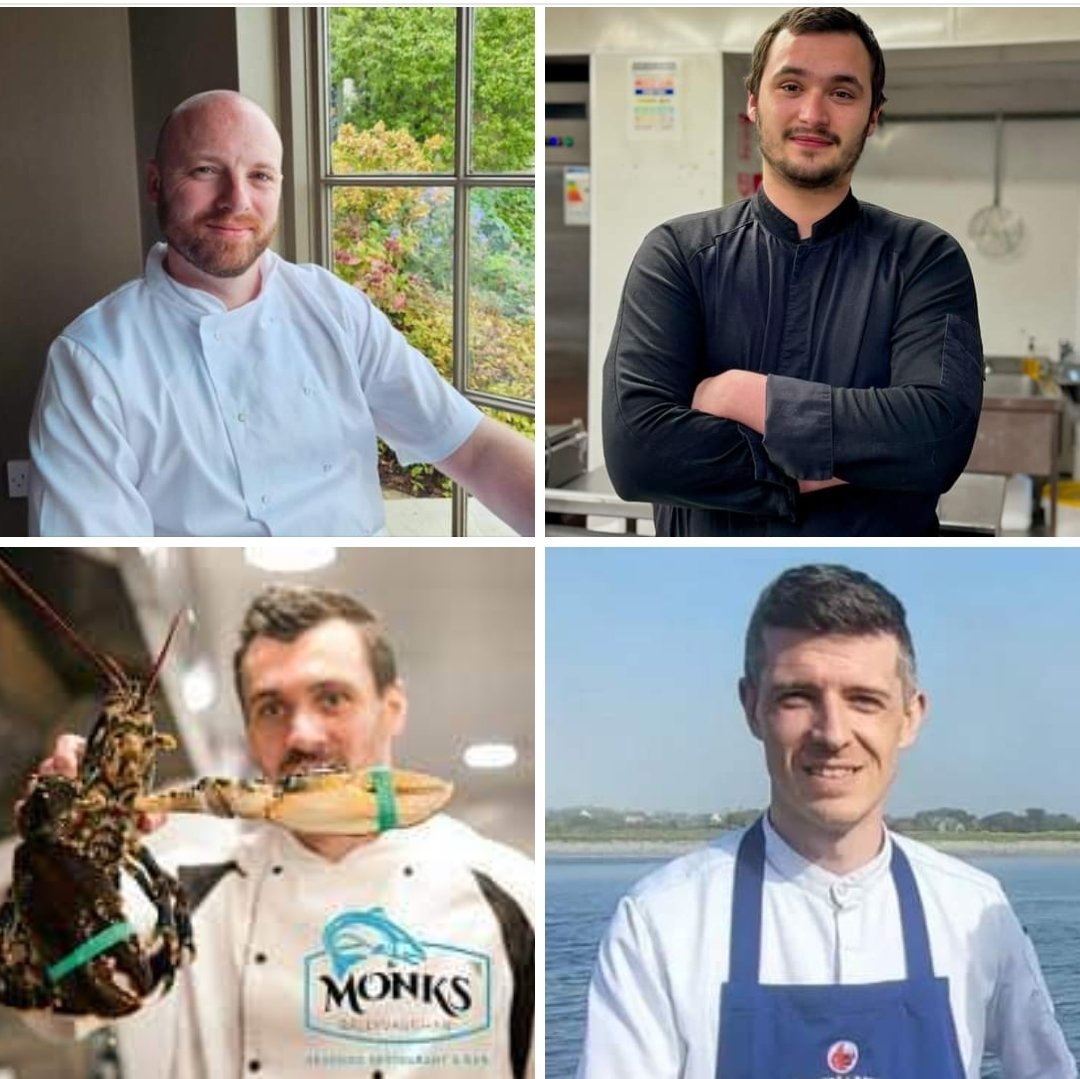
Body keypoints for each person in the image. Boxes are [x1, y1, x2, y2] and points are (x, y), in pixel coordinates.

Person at [9, 584, 534, 1079]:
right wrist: (66, 858)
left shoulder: (513, 893)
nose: (302, 734)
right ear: (248, 729)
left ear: (392, 707)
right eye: (272, 707)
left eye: (331, 698)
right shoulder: (189, 883)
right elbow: (59, 1005)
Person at [577, 564, 1075, 1078]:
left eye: (864, 700)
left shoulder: (973, 909)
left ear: (910, 717)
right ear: (751, 707)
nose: (833, 733)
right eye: (798, 697)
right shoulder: (661, 921)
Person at [28, 90, 535, 537]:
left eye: (260, 176)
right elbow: (105, 567)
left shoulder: (333, 307)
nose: (237, 200)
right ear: (156, 183)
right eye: (206, 170)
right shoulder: (90, 362)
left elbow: (474, 449)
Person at [602, 8, 983, 536]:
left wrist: (743, 396)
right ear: (754, 102)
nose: (813, 114)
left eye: (843, 93)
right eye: (790, 85)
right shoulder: (677, 255)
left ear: (873, 116)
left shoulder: (926, 260)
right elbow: (638, 454)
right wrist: (856, 457)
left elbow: (937, 442)